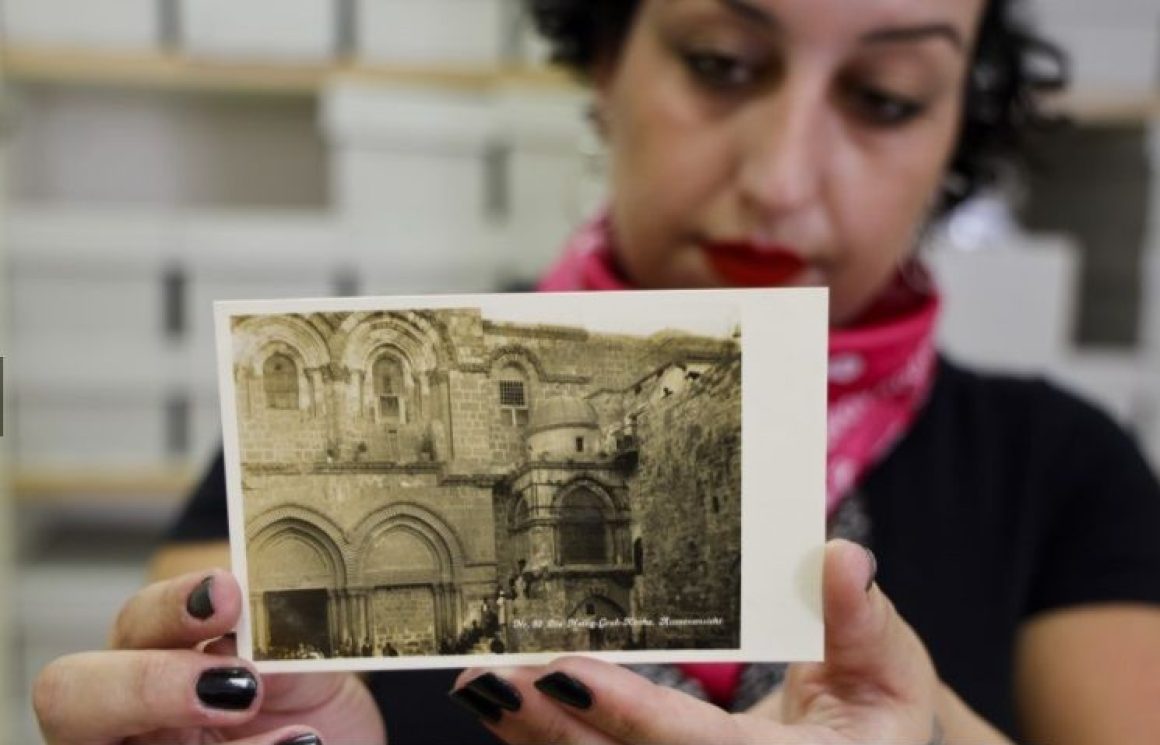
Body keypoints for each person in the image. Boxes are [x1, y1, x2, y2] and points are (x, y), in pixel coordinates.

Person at [31, 1, 1160, 744]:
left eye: (884, 99)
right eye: (720, 64)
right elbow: (207, 693)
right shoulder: (334, 432)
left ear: (953, 129)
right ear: (605, 60)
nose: (779, 178)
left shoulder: (1062, 467)